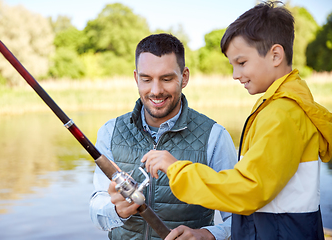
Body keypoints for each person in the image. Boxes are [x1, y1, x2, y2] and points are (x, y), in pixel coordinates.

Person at [141, 2, 332, 240]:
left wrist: (176, 169)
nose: (235, 74)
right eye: (233, 65)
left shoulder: (282, 113)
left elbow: (248, 188)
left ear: (275, 55)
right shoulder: (279, 106)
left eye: (241, 63)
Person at [89, 33, 237, 240]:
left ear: (184, 77)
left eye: (166, 79)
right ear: (136, 78)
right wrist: (115, 210)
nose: (156, 90)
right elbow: (97, 208)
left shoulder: (215, 137)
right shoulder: (109, 131)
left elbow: (239, 218)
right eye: (146, 79)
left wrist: (207, 235)